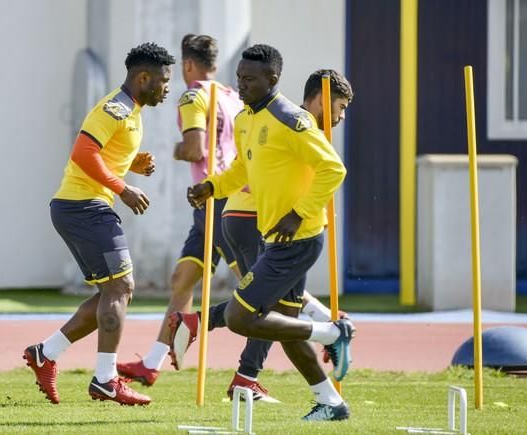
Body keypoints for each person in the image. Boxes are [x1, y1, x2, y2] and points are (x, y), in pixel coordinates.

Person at [170, 44, 355, 421]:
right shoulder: (244, 119)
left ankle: (332, 334)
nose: (242, 84)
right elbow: (243, 169)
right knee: (283, 329)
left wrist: (298, 213)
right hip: (276, 238)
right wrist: (213, 187)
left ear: (272, 80)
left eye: (250, 79)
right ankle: (331, 404)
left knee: (241, 316)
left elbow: (333, 169)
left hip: (299, 238)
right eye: (239, 77)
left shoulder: (290, 118)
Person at [22, 42, 175, 406]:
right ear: (143, 77)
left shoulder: (132, 110)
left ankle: (46, 353)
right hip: (83, 207)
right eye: (163, 80)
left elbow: (103, 152)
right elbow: (83, 153)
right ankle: (106, 380)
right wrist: (123, 187)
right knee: (121, 288)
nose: (167, 87)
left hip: (81, 206)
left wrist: (130, 162)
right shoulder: (116, 107)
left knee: (115, 291)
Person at [116, 34, 242, 386]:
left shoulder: (193, 95)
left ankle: (322, 324)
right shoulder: (232, 95)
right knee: (182, 281)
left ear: (187, 64)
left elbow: (193, 149)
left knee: (255, 286)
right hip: (214, 202)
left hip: (218, 202)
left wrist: (172, 151)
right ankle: (152, 363)